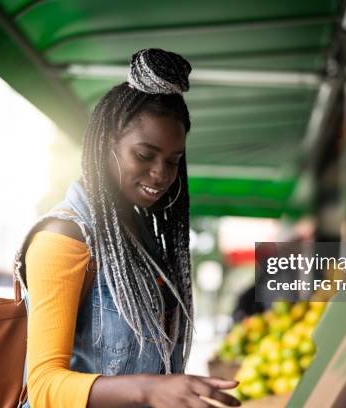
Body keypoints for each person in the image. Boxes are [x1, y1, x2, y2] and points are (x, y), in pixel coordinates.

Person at [14, 49, 241, 408]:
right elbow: (43, 387)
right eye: (144, 155)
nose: (161, 174)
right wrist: (151, 389)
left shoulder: (142, 234)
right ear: (107, 146)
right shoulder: (63, 238)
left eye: (173, 161)